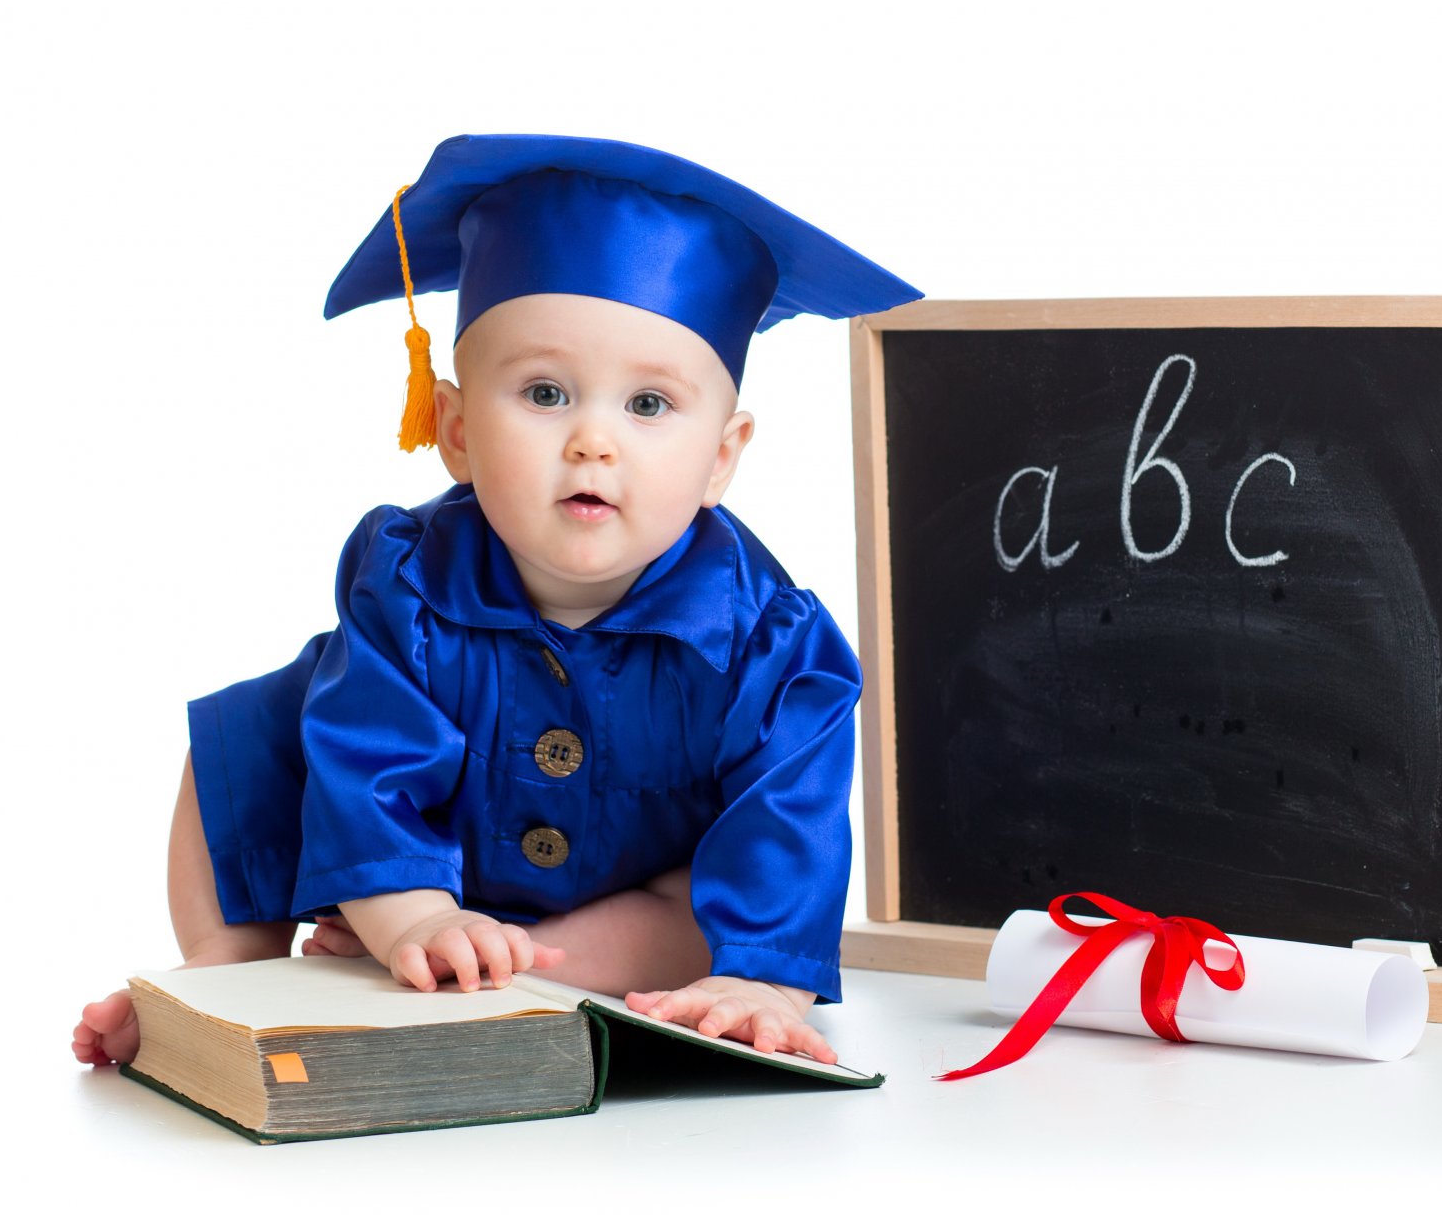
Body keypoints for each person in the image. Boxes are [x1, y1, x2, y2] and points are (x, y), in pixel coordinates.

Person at [72, 134, 920, 1069]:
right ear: (458, 431)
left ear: (722, 457)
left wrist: (765, 980)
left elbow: (786, 814)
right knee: (243, 744)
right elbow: (366, 757)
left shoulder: (768, 641)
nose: (594, 440)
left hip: (621, 895)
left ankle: (510, 981)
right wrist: (413, 915)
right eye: (546, 393)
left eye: (649, 406)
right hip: (405, 863)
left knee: (699, 916)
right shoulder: (404, 584)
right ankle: (232, 975)